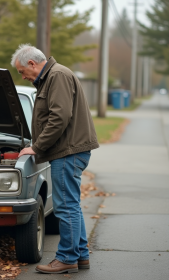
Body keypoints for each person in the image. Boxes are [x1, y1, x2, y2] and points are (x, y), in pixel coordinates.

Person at [11, 44, 99, 274]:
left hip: (67, 151)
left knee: (65, 207)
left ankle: (67, 258)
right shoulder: (52, 76)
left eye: (22, 71)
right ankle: (80, 256)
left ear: (32, 63)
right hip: (70, 150)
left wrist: (36, 147)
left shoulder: (57, 75)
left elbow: (59, 117)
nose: (23, 76)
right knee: (71, 206)